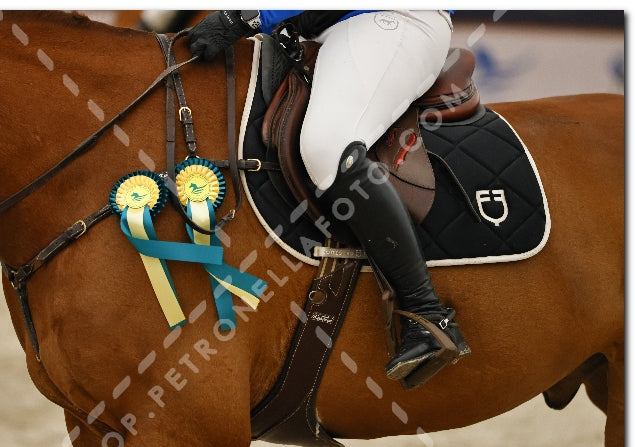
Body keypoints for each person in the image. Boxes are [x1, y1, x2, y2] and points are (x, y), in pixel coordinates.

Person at [188, 10, 469, 382]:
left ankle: (427, 316)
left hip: (392, 16)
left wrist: (248, 16)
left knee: (328, 147)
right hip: (318, 29)